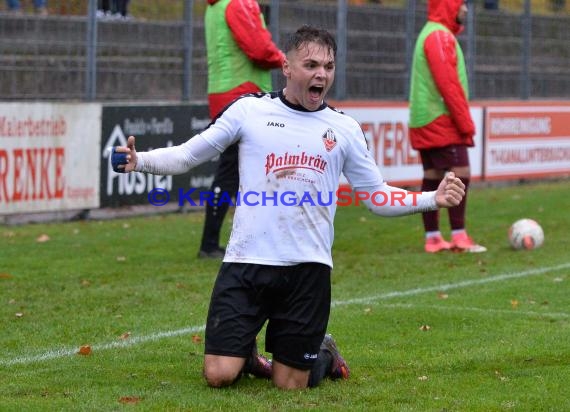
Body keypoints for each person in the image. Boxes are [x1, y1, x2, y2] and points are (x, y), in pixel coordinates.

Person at [111, 25, 466, 390]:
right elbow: (188, 154)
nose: (321, 74)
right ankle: (245, 353)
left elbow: (376, 197)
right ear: (287, 67)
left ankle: (324, 351)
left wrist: (432, 199)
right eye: (311, 64)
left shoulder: (344, 128)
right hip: (247, 262)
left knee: (290, 385)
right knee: (219, 375)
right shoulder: (249, 110)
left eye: (328, 66)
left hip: (307, 271)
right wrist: (141, 161)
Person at [198, 0, 285, 259]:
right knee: (245, 171)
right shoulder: (238, 3)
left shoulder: (215, 6)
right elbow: (260, 50)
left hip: (222, 91)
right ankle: (217, 242)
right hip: (243, 93)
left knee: (231, 171)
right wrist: (286, 60)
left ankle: (215, 241)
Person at [408, 0, 486, 253]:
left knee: (432, 176)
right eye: (462, 3)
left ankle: (432, 238)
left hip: (423, 118)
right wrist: (465, 124)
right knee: (460, 172)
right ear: (449, 5)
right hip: (440, 118)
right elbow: (448, 85)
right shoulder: (439, 36)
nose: (466, 9)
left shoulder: (432, 33)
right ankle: (459, 236)